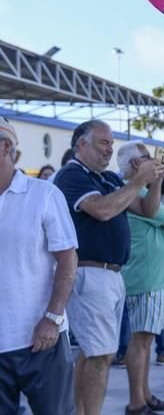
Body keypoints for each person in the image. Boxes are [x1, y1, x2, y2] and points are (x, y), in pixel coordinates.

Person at [53, 120, 164, 415]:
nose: (109, 149)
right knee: (101, 356)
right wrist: (137, 181)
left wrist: (153, 181)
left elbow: (148, 210)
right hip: (91, 274)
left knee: (93, 354)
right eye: (103, 142)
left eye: (110, 142)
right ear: (81, 144)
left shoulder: (107, 179)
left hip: (110, 275)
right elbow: (102, 210)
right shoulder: (71, 175)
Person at [0, 119, 78, 414]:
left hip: (40, 338)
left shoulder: (43, 194)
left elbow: (68, 258)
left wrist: (53, 317)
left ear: (6, 146)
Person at [117, 141, 164, 414]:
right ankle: (137, 402)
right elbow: (157, 213)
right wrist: (156, 180)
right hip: (147, 278)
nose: (153, 160)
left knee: (144, 341)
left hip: (153, 278)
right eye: (146, 158)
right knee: (141, 341)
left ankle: (144, 396)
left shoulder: (138, 191)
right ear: (135, 164)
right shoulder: (131, 192)